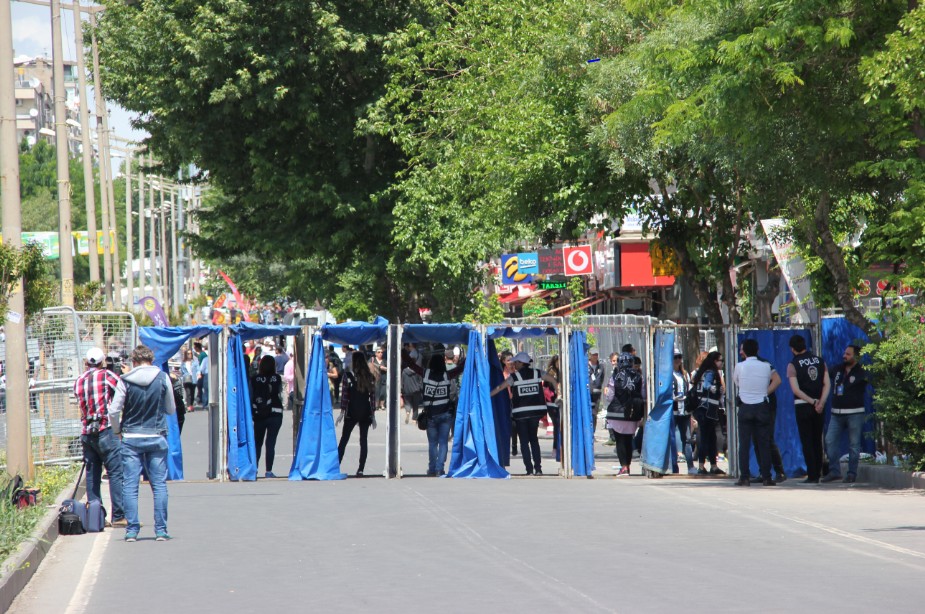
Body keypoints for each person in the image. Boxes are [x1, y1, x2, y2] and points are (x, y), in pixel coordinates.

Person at [109, 345, 176, 542]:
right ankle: (161, 530)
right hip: (156, 436)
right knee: (159, 485)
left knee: (130, 485)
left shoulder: (125, 380)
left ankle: (132, 530)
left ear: (134, 361)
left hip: (130, 438)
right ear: (152, 360)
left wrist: (117, 430)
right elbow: (171, 408)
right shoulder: (163, 378)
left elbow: (113, 411)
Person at [73, 347, 125, 527]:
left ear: (86, 363)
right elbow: (122, 391)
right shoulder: (107, 376)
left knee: (92, 473)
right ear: (103, 362)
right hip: (105, 429)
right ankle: (118, 515)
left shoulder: (79, 381)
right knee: (115, 472)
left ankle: (96, 516)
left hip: (87, 432)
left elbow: (80, 403)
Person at [490, 352, 558, 476]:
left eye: (516, 362)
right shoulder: (538, 373)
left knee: (524, 442)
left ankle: (529, 469)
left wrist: (487, 396)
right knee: (534, 440)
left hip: (520, 414)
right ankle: (538, 469)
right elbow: (552, 379)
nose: (514, 364)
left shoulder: (514, 377)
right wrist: (558, 392)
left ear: (521, 363)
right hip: (535, 413)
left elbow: (500, 387)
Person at [405, 350, 464, 476]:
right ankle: (439, 469)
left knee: (433, 443)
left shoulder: (425, 374)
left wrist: (403, 351)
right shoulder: (447, 376)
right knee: (443, 442)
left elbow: (412, 364)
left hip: (430, 415)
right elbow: (461, 368)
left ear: (431, 363)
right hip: (445, 414)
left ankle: (432, 468)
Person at [733, 339, 781, 486]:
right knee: (764, 443)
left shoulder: (739, 366)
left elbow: (737, 382)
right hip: (762, 406)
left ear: (745, 351)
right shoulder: (766, 366)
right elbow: (773, 381)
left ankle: (745, 477)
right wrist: (762, 393)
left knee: (745, 444)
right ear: (757, 350)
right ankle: (767, 476)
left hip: (745, 406)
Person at [787, 335, 830, 484]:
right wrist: (821, 402)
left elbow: (796, 390)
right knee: (817, 440)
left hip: (803, 405)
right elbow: (827, 384)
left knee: (807, 441)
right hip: (819, 407)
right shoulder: (820, 361)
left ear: (792, 349)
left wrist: (812, 401)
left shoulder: (793, 365)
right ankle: (818, 472)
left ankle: (812, 474)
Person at [822, 345, 867, 484]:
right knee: (829, 440)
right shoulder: (837, 369)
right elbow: (824, 375)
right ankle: (834, 471)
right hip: (836, 414)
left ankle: (852, 473)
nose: (844, 356)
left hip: (855, 413)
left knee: (854, 445)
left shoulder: (862, 371)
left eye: (848, 354)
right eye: (844, 353)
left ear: (856, 357)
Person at [337, 351, 377, 477]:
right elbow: (372, 397)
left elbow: (345, 395)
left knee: (344, 439)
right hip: (365, 412)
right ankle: (361, 469)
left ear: (354, 361)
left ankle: (336, 465)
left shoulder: (348, 376)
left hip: (351, 412)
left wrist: (342, 412)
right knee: (363, 440)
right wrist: (373, 415)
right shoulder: (369, 377)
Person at [603, 351, 644, 476]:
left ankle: (624, 467)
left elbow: (610, 395)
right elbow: (643, 394)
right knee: (628, 439)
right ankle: (628, 466)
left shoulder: (615, 376)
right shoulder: (638, 376)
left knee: (620, 440)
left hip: (617, 413)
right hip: (633, 413)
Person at [691, 351, 726, 476]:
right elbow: (707, 386)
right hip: (707, 409)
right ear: (714, 361)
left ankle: (712, 465)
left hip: (702, 408)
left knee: (710, 437)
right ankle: (703, 466)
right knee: (707, 438)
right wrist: (716, 389)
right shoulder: (711, 372)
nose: (722, 363)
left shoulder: (702, 371)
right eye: (720, 360)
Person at [251, 355, 285, 478]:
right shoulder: (277, 378)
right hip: (275, 413)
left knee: (257, 443)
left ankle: (254, 470)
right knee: (271, 442)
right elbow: (281, 394)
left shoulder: (255, 379)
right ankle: (269, 471)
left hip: (259, 414)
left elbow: (251, 395)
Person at [671, 350, 695, 475]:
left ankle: (690, 466)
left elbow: (689, 390)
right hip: (673, 410)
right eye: (675, 357)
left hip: (684, 411)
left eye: (679, 357)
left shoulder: (684, 374)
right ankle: (673, 466)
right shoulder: (668, 374)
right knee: (671, 438)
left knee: (687, 438)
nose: (677, 360)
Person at [545, 355, 562, 462]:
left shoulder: (562, 371)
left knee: (559, 426)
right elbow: (552, 384)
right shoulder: (552, 372)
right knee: (557, 425)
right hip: (552, 402)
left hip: (558, 401)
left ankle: (558, 447)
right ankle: (556, 448)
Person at [588, 348, 604, 434]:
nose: (595, 356)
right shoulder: (585, 366)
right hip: (587, 394)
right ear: (590, 355)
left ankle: (592, 433)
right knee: (587, 413)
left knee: (594, 414)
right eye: (594, 354)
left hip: (596, 394)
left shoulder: (601, 367)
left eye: (596, 354)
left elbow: (601, 379)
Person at [195, 341, 209, 409]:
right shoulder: (205, 356)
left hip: (206, 374)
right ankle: (206, 402)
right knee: (207, 389)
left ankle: (205, 403)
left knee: (206, 389)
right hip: (208, 374)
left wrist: (200, 373)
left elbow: (201, 368)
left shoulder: (204, 358)